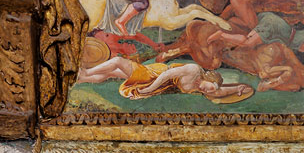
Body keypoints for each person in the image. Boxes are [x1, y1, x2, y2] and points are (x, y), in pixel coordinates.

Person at [77, 57, 252, 101]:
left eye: (208, 91)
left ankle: (85, 75)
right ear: (209, 78)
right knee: (116, 66)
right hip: (155, 74)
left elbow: (222, 92)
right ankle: (86, 74)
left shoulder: (203, 88)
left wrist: (237, 89)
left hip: (156, 82)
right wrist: (149, 89)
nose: (205, 91)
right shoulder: (193, 70)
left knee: (116, 64)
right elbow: (166, 75)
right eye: (208, 87)